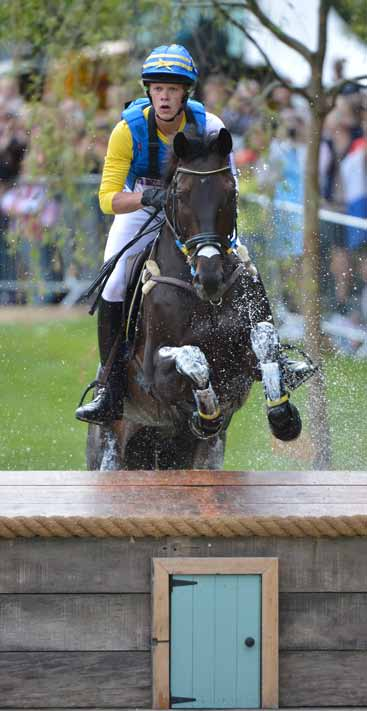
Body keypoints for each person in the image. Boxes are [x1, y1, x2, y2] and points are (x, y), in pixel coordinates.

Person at [76, 44, 313, 433]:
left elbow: (228, 185)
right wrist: (149, 197)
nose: (165, 97)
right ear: (148, 92)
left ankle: (279, 361)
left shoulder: (211, 126)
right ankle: (110, 385)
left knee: (245, 264)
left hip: (197, 211)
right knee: (117, 279)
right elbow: (107, 198)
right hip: (140, 207)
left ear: (186, 93)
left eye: (172, 89)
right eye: (158, 89)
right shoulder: (126, 131)